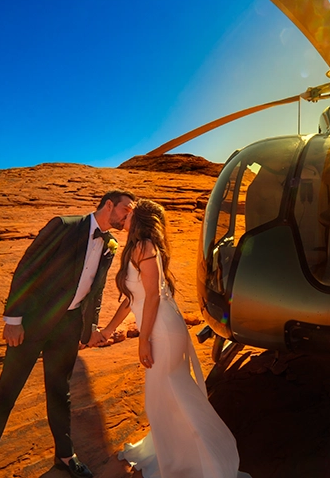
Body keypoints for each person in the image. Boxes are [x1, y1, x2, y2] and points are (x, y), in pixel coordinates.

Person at [0, 190, 137, 478]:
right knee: (7, 392)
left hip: (68, 327)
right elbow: (27, 267)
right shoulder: (64, 225)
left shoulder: (110, 244)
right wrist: (13, 319)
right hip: (33, 323)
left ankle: (65, 457)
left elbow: (95, 291)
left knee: (60, 392)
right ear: (109, 205)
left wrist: (89, 328)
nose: (127, 216)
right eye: (126, 210)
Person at [91, 199, 250, 478]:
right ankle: (179, 453)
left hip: (163, 331)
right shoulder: (138, 248)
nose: (125, 216)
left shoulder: (145, 247)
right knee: (167, 399)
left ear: (139, 219)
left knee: (171, 397)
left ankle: (207, 461)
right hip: (160, 328)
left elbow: (152, 296)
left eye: (130, 213)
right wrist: (107, 330)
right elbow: (131, 300)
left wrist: (143, 340)